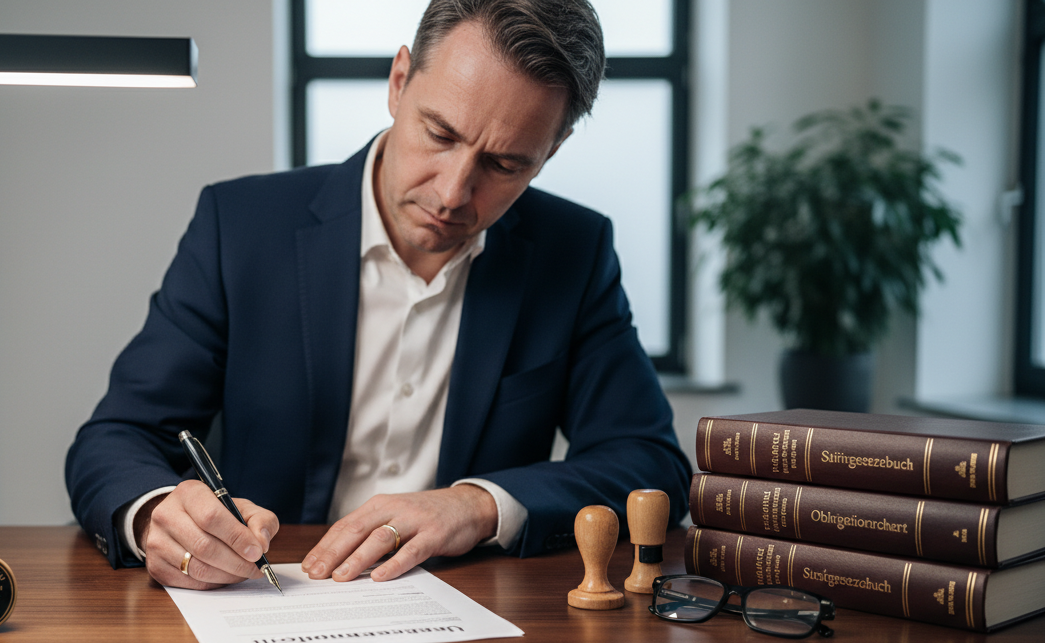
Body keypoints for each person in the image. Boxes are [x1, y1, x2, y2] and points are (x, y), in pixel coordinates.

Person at [65, 0, 690, 589]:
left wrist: (477, 506)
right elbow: (117, 436)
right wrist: (155, 517)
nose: (452, 193)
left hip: (472, 621)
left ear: (550, 151)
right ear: (398, 82)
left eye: (504, 165)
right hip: (265, 602)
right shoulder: (240, 226)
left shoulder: (573, 252)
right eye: (440, 134)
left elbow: (649, 462)